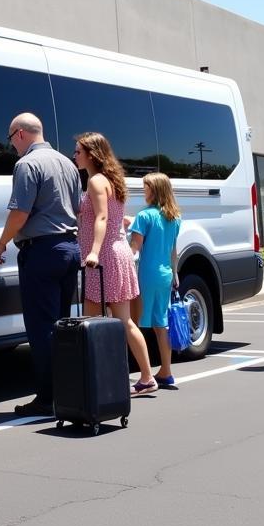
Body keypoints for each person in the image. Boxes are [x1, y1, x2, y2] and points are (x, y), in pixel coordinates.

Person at [0, 113, 82, 417]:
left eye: (10, 138)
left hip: (42, 251)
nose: (12, 145)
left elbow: (19, 214)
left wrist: (2, 242)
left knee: (42, 329)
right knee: (61, 325)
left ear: (19, 134)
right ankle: (66, 393)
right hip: (70, 248)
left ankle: (47, 398)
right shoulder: (67, 163)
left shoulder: (26, 165)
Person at [73, 132, 156, 395]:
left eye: (78, 151)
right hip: (116, 253)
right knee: (119, 321)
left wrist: (94, 252)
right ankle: (144, 376)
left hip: (105, 258)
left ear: (91, 155)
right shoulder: (111, 180)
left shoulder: (96, 181)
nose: (75, 155)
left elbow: (101, 218)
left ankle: (103, 378)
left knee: (96, 321)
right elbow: (113, 217)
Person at [128, 172, 182, 388]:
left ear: (155, 190)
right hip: (166, 274)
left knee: (134, 322)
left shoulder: (144, 216)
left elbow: (134, 249)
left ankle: (144, 374)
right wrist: (175, 272)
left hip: (147, 275)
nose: (144, 190)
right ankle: (166, 371)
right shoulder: (174, 217)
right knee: (161, 323)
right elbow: (173, 251)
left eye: (146, 187)